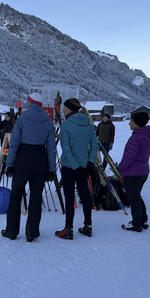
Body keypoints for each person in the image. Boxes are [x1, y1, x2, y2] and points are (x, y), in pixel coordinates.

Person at [2, 92, 56, 242]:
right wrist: (52, 169)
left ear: (30, 104)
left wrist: (10, 164)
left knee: (15, 197)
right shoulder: (48, 121)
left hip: (22, 162)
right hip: (40, 163)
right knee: (36, 198)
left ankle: (11, 231)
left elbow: (13, 144)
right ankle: (32, 233)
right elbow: (51, 148)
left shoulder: (22, 119)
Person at [55, 98, 99, 239]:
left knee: (69, 198)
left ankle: (68, 229)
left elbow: (66, 149)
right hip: (85, 166)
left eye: (65, 107)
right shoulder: (89, 124)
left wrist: (75, 166)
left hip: (70, 166)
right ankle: (88, 226)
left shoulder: (66, 125)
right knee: (85, 195)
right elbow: (94, 145)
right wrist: (90, 163)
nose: (62, 110)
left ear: (70, 109)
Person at [119, 112, 150, 232]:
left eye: (132, 121)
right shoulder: (146, 136)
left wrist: (120, 169)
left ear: (137, 123)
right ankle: (143, 219)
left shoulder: (136, 138)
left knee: (134, 198)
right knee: (137, 196)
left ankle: (136, 223)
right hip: (143, 171)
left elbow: (129, 157)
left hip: (133, 173)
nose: (129, 123)